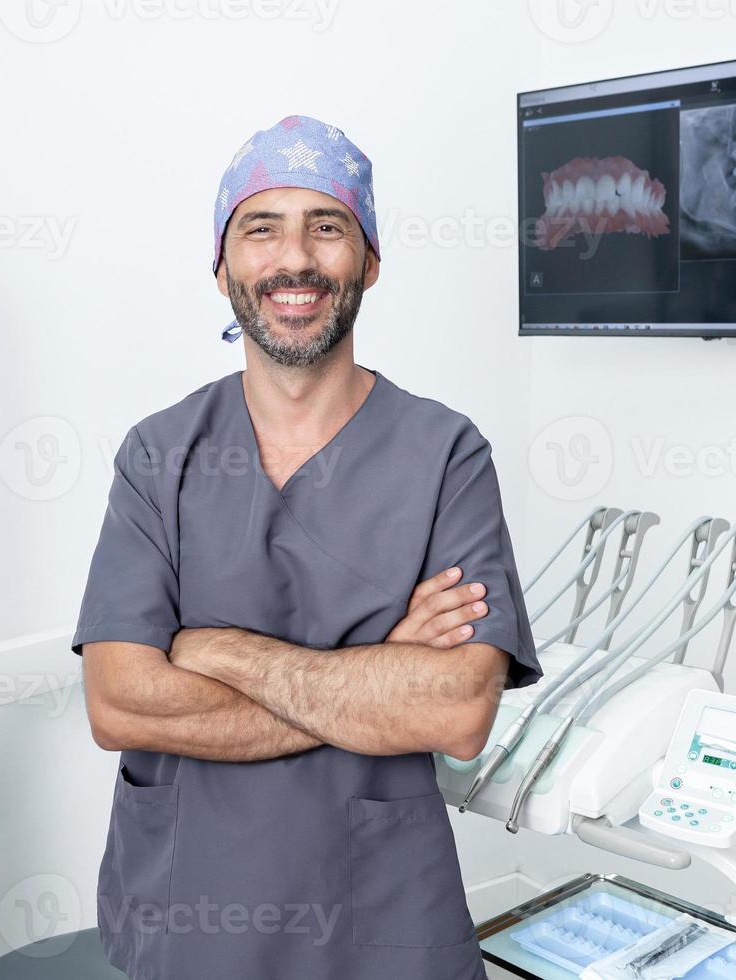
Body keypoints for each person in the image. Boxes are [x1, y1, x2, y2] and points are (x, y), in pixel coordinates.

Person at [72, 113, 541, 979]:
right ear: (222, 268)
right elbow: (121, 707)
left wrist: (213, 649)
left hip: (380, 924)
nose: (295, 259)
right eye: (262, 228)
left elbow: (455, 713)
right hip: (189, 918)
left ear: (367, 261)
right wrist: (374, 671)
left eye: (327, 227)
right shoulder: (158, 455)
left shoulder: (444, 454)